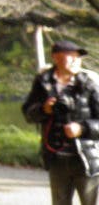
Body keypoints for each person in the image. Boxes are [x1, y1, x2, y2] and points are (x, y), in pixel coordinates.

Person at [22, 39, 99, 205]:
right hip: (56, 158)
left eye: (77, 58)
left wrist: (83, 128)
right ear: (56, 58)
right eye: (70, 56)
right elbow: (28, 114)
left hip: (86, 158)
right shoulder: (43, 83)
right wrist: (44, 110)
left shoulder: (89, 84)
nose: (75, 61)